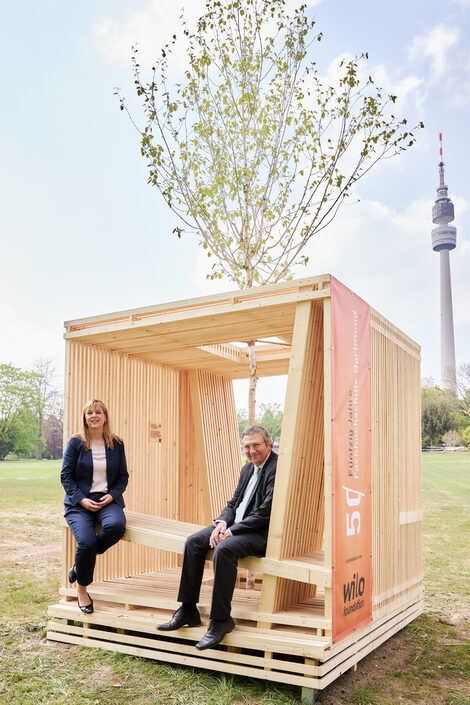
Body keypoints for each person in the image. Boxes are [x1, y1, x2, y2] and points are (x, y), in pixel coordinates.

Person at [158, 425, 278, 650]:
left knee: (224, 550)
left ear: (269, 445)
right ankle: (188, 610)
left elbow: (266, 512)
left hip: (260, 533)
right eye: (247, 447)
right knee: (193, 542)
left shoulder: (276, 468)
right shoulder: (247, 469)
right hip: (235, 526)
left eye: (256, 445)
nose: (251, 451)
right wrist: (222, 523)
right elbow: (233, 503)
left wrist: (232, 531)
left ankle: (221, 621)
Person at [60, 399, 129, 614]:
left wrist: (112, 495)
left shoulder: (116, 444)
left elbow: (123, 477)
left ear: (105, 417)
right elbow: (66, 476)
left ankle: (80, 566)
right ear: (85, 417)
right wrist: (81, 499)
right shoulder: (76, 443)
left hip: (106, 500)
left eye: (98, 412)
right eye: (89, 413)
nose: (94, 416)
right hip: (79, 502)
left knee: (117, 527)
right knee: (87, 542)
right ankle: (82, 589)